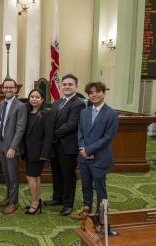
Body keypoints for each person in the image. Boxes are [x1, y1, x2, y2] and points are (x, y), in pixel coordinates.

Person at [71, 82, 118, 220]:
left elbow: (108, 137)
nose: (94, 95)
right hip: (84, 157)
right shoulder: (83, 112)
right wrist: (82, 149)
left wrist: (89, 150)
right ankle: (86, 208)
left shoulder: (112, 114)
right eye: (91, 93)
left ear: (103, 93)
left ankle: (101, 213)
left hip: (100, 157)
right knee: (85, 184)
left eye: (97, 92)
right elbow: (80, 132)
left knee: (99, 186)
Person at [44, 74, 86, 216]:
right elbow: (50, 121)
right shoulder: (57, 102)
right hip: (55, 146)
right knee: (56, 174)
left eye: (70, 84)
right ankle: (57, 198)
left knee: (68, 176)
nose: (67, 87)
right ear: (61, 86)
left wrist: (52, 135)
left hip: (68, 147)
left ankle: (68, 204)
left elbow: (71, 125)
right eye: (65, 84)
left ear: (76, 87)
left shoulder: (78, 103)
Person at [0, 79, 27, 215]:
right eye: (6, 87)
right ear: (2, 89)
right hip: (1, 143)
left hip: (11, 147)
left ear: (15, 89)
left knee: (13, 175)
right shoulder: (2, 103)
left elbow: (20, 129)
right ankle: (9, 197)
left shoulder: (20, 106)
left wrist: (13, 147)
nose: (8, 90)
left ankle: (13, 202)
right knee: (6, 174)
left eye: (11, 87)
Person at [23, 89, 54, 215]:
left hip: (39, 152)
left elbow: (48, 135)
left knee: (30, 176)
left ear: (42, 100)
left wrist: (44, 153)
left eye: (37, 97)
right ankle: (36, 200)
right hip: (28, 150)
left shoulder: (46, 113)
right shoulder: (27, 112)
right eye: (32, 96)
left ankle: (34, 202)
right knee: (35, 177)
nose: (34, 99)